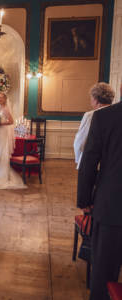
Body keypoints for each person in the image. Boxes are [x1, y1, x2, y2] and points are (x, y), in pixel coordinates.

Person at [77, 96, 122, 299]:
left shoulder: (105, 116)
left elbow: (89, 161)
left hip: (112, 205)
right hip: (112, 204)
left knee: (104, 271)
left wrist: (85, 200)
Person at [0, 93, 27, 190]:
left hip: (2, 133)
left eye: (1, 98)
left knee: (1, 153)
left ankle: (1, 175)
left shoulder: (5, 109)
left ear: (5, 99)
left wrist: (0, 123)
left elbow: (11, 121)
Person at [74, 82, 115, 169]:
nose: (91, 102)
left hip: (92, 164)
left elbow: (79, 142)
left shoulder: (90, 115)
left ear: (96, 99)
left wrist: (79, 160)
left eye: (91, 99)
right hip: (113, 165)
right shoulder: (117, 114)